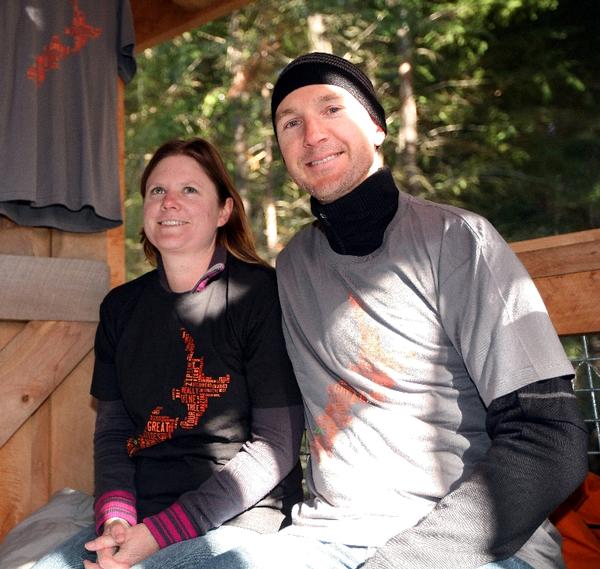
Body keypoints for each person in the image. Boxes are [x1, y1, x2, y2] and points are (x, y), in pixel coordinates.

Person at [200, 53, 589, 569]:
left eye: (332, 109)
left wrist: (401, 562)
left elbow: (550, 439)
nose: (312, 134)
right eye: (290, 123)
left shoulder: (455, 240)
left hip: (464, 546)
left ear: (378, 128)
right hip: (319, 540)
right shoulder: (292, 266)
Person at [31, 138, 304, 569]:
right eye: (157, 191)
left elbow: (278, 445)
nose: (169, 202)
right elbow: (114, 430)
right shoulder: (121, 308)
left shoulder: (261, 295)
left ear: (223, 212)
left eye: (189, 190)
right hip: (140, 521)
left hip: (240, 522)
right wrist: (116, 520)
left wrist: (161, 535)